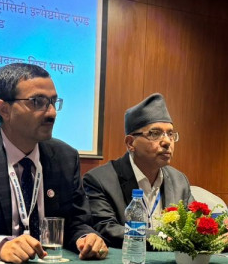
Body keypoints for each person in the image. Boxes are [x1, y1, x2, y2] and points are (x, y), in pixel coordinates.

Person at [0, 62, 108, 263]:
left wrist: (86, 238)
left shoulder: (65, 157)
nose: (52, 113)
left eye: (53, 101)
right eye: (38, 102)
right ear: (4, 109)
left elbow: (77, 223)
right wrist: (0, 245)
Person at [83, 94, 193, 248]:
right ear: (130, 143)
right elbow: (107, 229)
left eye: (170, 134)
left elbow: (194, 224)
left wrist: (219, 232)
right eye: (155, 133)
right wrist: (162, 238)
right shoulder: (100, 180)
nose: (167, 142)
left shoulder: (179, 180)